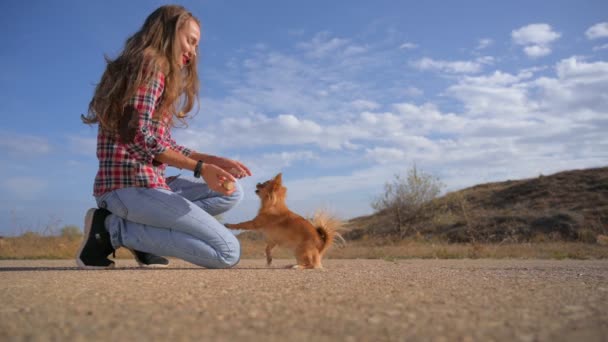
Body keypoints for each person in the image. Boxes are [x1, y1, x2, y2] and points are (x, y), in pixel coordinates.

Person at [77, 5, 251, 269]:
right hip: (128, 188)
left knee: (231, 192)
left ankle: (144, 238)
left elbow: (162, 142)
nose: (193, 52)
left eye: (196, 45)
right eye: (190, 40)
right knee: (227, 252)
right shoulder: (151, 63)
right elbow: (138, 136)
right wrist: (200, 168)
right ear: (168, 31)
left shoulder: (152, 68)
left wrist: (211, 160)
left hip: (151, 184)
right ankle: (114, 230)